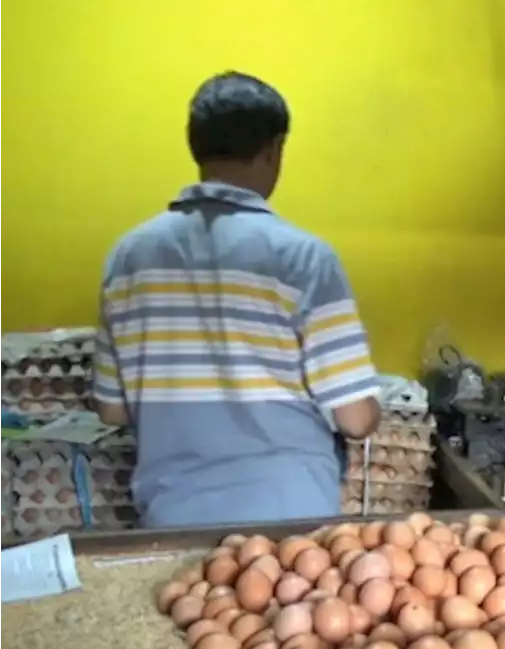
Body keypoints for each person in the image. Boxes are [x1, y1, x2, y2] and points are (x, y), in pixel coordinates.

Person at [91, 72, 382, 527]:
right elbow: (355, 419)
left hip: (173, 515)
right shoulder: (304, 257)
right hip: (294, 518)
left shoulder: (129, 258)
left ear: (196, 148)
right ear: (274, 149)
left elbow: (112, 409)